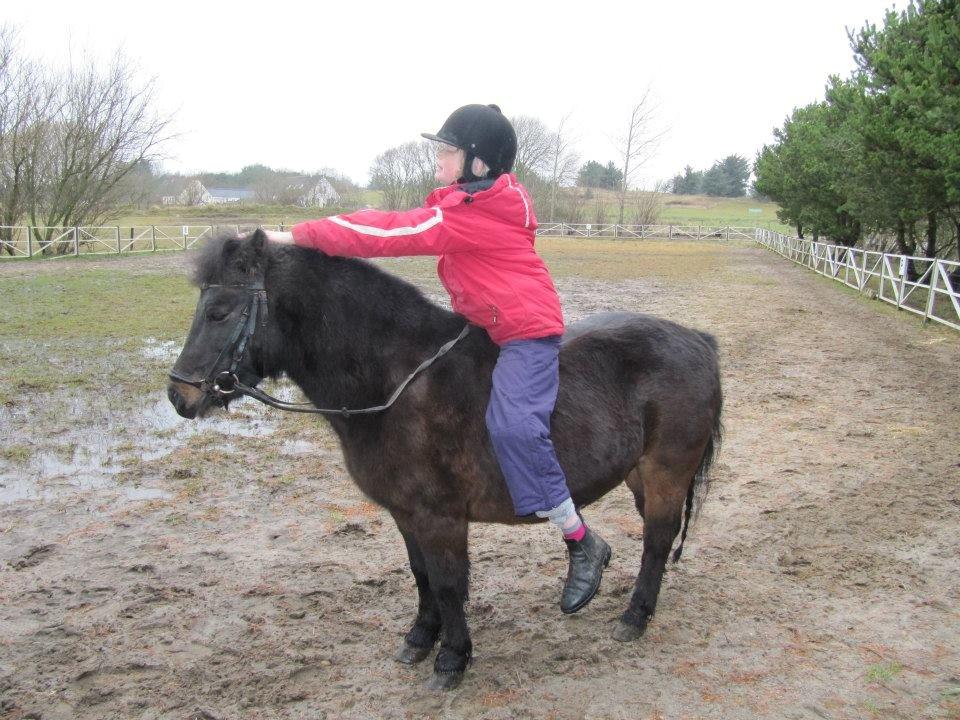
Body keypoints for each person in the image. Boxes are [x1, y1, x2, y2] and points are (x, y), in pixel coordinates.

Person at [261, 104, 610, 614]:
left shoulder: (475, 217)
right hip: (482, 328)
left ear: (479, 165)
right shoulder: (469, 206)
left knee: (515, 426)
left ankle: (581, 541)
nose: (438, 160)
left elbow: (390, 233)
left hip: (524, 335)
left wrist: (298, 236)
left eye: (447, 151)